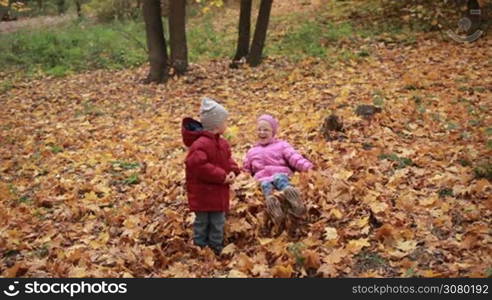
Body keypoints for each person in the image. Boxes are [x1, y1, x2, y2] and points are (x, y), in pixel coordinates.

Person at [181, 97, 240, 255]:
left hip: (218, 193)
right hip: (203, 193)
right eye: (225, 122)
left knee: (218, 221)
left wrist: (233, 170)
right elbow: (198, 166)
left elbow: (227, 159)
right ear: (216, 125)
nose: (226, 125)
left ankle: (215, 247)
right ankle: (200, 247)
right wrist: (222, 176)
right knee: (202, 221)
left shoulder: (222, 143)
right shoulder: (199, 145)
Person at [243, 114, 313, 230]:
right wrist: (241, 179)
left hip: (280, 172)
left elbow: (294, 157)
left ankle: (290, 193)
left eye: (266, 130)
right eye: (259, 129)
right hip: (262, 178)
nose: (262, 132)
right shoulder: (252, 151)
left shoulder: (281, 145)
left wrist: (308, 167)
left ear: (273, 132)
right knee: (265, 185)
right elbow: (246, 171)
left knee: (280, 179)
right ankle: (273, 206)